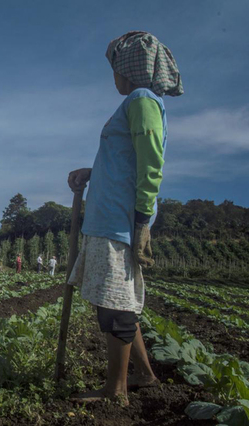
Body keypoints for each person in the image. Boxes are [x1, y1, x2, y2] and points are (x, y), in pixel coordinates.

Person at [67, 31, 183, 405]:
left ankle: (115, 392)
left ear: (128, 69)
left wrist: (142, 218)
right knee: (119, 301)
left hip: (117, 221)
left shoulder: (141, 99)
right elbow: (127, 160)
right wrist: (92, 172)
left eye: (114, 68)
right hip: (113, 218)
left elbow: (151, 164)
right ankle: (144, 375)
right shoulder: (139, 102)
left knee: (114, 307)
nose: (112, 77)